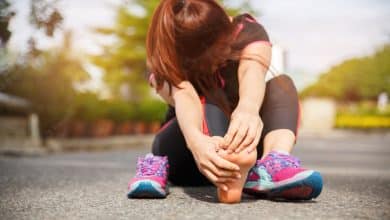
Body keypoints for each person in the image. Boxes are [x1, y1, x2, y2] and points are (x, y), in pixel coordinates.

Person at [127, 0, 323, 203]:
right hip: (187, 152)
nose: (220, 55)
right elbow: (186, 96)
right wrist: (196, 142)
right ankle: (165, 165)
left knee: (282, 84)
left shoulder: (246, 30)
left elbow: (252, 70)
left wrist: (248, 108)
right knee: (208, 99)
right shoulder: (167, 57)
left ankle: (274, 163)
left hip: (242, 147)